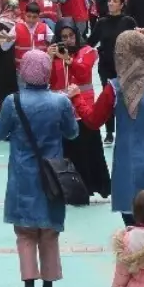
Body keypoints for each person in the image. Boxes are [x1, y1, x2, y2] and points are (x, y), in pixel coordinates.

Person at [0, 50, 80, 287]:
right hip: (53, 175)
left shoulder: (12, 101)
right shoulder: (60, 102)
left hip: (23, 174)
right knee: (50, 232)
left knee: (25, 233)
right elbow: (72, 132)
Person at [75, 30, 144, 225]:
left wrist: (76, 98)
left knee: (133, 228)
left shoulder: (114, 89)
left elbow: (93, 121)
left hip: (129, 164)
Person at [50, 20, 110, 200]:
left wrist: (67, 60)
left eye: (71, 36)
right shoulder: (54, 54)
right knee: (68, 151)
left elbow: (83, 72)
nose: (68, 40)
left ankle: (92, 186)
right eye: (63, 37)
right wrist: (48, 57)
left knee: (88, 150)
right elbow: (49, 79)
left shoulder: (88, 51)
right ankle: (67, 188)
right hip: (62, 110)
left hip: (84, 108)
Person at [85, 0, 137, 144]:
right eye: (109, 1)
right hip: (106, 66)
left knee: (126, 99)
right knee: (108, 98)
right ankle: (109, 131)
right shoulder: (102, 22)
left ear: (121, 4)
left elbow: (136, 42)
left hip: (125, 67)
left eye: (114, 1)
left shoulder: (129, 21)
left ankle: (126, 129)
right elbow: (91, 41)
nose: (110, 3)